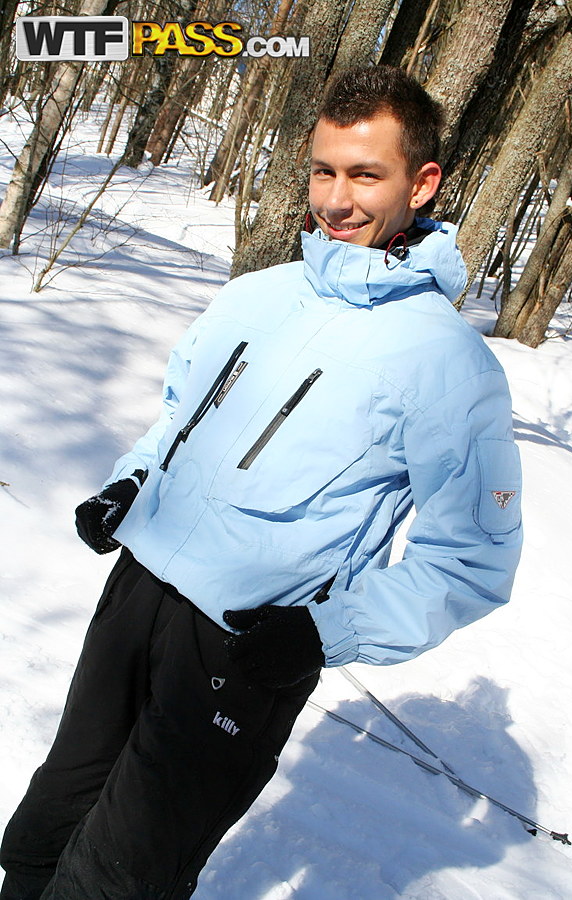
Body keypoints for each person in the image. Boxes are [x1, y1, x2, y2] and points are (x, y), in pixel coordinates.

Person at [0, 66, 522, 899]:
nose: (337, 200)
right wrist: (127, 486)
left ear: (421, 183)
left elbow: (472, 559)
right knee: (40, 834)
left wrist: (323, 632)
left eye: (365, 175)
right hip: (137, 594)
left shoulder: (449, 364)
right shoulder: (258, 296)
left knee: (117, 879)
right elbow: (181, 417)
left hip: (245, 646)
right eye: (324, 170)